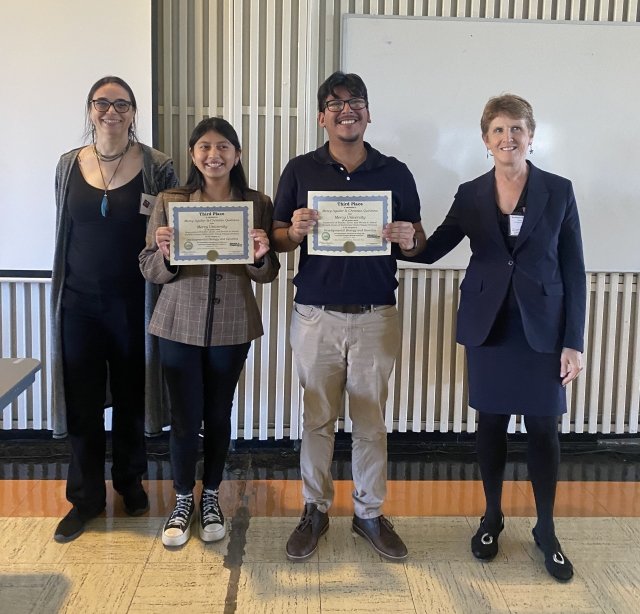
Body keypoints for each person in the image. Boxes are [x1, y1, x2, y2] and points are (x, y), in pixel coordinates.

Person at [408, 94, 585, 581]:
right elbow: (434, 248)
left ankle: (546, 529)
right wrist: (400, 238)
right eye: (499, 130)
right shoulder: (470, 194)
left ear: (532, 135)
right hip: (489, 328)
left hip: (543, 330)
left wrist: (575, 341)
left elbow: (574, 268)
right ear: (485, 140)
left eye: (518, 129)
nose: (509, 138)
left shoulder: (560, 190)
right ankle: (492, 516)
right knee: (490, 426)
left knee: (544, 430)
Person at [271, 71, 426, 562]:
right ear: (322, 117)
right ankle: (315, 510)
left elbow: (418, 241)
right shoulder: (299, 170)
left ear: (368, 112)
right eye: (335, 103)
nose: (346, 109)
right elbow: (274, 237)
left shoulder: (395, 172)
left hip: (376, 316)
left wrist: (407, 236)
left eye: (355, 101)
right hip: (315, 315)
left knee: (369, 421)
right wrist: (292, 232)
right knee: (317, 418)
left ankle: (368, 515)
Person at [139, 117, 279, 547]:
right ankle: (183, 499)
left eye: (223, 147)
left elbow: (267, 274)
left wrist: (259, 255)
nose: (213, 155)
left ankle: (212, 495)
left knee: (218, 414)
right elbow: (148, 267)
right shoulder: (170, 200)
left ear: (237, 155)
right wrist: (167, 254)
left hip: (233, 324)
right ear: (193, 154)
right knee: (183, 418)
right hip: (177, 323)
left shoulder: (257, 203)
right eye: (204, 147)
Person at [51, 76, 179, 543]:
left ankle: (130, 483)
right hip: (79, 304)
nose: (111, 111)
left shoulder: (157, 166)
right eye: (102, 104)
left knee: (131, 398)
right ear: (89, 111)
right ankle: (84, 499)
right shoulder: (68, 165)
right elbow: (63, 232)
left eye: (121, 104)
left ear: (133, 113)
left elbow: (170, 226)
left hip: (135, 301)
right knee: (82, 403)